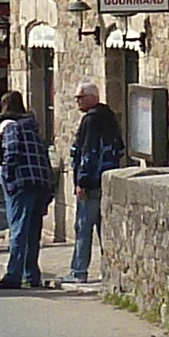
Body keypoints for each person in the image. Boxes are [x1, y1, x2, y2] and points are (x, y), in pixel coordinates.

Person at [0, 90, 55, 289]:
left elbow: (11, 153)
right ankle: (31, 274)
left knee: (18, 230)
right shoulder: (32, 129)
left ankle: (13, 275)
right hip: (41, 182)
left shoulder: (11, 128)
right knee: (33, 232)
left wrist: (8, 178)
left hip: (21, 183)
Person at [65, 85, 121, 286]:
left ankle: (79, 270)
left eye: (80, 97)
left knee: (83, 227)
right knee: (103, 229)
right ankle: (110, 271)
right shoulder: (109, 118)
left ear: (92, 98)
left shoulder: (91, 120)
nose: (77, 101)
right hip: (106, 180)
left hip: (92, 185)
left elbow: (89, 153)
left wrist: (83, 182)